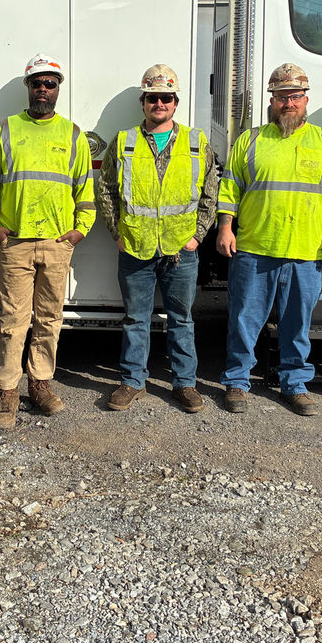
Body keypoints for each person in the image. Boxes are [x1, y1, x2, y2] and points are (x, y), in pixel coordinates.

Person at [216, 63, 322, 415]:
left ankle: (294, 384)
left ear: (306, 99)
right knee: (245, 320)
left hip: (304, 251)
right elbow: (230, 187)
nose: (288, 103)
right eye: (281, 97)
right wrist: (224, 227)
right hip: (254, 249)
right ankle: (236, 382)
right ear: (272, 100)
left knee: (297, 325)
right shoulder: (250, 140)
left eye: (295, 96)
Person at [0, 54, 95, 429]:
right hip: (16, 243)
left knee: (49, 319)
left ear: (58, 89)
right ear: (27, 87)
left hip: (57, 243)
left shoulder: (73, 134)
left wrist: (79, 230)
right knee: (13, 321)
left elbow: (85, 190)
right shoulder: (5, 130)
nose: (44, 89)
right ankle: (8, 391)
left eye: (50, 83)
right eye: (37, 83)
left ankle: (40, 384)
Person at [96, 63, 219, 414]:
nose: (159, 104)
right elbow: (105, 189)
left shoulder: (197, 142)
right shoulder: (124, 141)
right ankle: (133, 381)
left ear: (175, 102)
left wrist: (197, 236)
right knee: (136, 319)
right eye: (153, 98)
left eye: (166, 97)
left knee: (182, 319)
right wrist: (117, 233)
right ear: (143, 102)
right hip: (136, 248)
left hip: (181, 250)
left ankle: (185, 384)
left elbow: (211, 191)